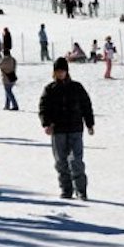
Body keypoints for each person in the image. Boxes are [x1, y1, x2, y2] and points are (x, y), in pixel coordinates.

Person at [38, 57, 95, 200]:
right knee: (61, 162)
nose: (60, 74)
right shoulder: (50, 89)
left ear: (67, 72)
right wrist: (46, 123)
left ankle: (81, 190)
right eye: (57, 71)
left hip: (75, 128)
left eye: (62, 71)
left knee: (76, 160)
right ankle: (66, 190)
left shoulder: (76, 87)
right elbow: (43, 108)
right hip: (58, 131)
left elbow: (86, 105)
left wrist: (90, 124)